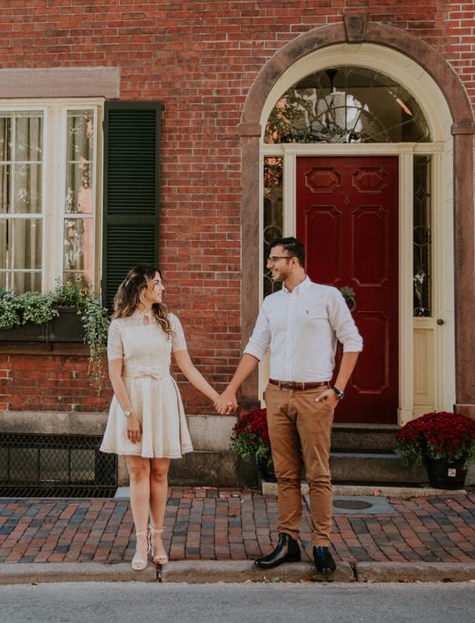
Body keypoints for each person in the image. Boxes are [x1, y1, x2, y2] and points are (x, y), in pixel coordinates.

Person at [220, 237, 362, 575]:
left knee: (318, 474)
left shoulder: (327, 297)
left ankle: (322, 544)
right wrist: (231, 390)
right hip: (278, 395)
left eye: (274, 259)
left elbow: (352, 341)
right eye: (270, 259)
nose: (270, 265)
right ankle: (288, 542)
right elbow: (256, 347)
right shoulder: (271, 303)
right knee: (284, 474)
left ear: (294, 261)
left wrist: (337, 391)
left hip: (315, 396)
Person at [100, 264, 236, 571]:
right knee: (137, 471)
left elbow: (187, 368)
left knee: (160, 471)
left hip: (161, 398)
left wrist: (217, 397)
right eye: (157, 283)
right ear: (142, 288)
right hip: (131, 398)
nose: (162, 288)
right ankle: (139, 541)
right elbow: (114, 374)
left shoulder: (170, 321)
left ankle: (158, 538)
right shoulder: (119, 325)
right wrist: (129, 414)